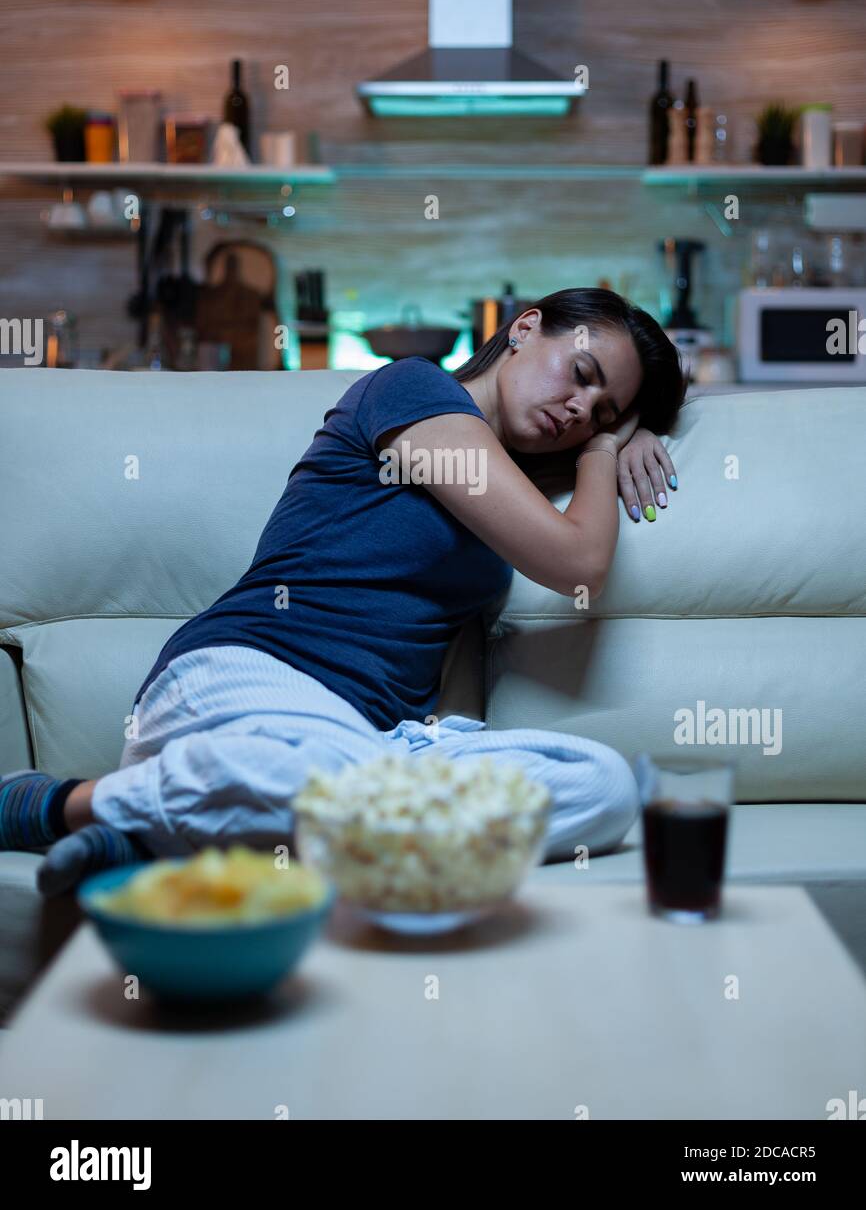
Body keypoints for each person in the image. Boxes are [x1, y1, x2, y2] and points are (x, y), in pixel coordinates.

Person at [0, 288, 686, 896]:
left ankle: (157, 834)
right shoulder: (411, 391)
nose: (581, 410)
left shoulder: (513, 486)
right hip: (245, 684)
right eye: (583, 376)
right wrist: (605, 450)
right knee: (316, 780)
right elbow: (577, 565)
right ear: (526, 328)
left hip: (376, 744)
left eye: (603, 413)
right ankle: (71, 805)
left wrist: (632, 433)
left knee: (604, 785)